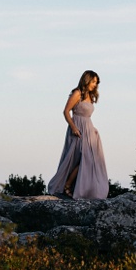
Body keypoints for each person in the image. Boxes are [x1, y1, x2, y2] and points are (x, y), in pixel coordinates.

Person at [47, 70, 109, 200]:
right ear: (87, 80)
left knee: (88, 160)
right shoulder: (78, 93)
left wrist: (93, 129)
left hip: (89, 130)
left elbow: (87, 116)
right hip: (77, 128)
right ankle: (65, 185)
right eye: (93, 82)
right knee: (75, 158)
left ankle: (74, 187)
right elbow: (66, 111)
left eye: (96, 83)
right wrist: (73, 127)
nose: (95, 85)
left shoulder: (90, 96)